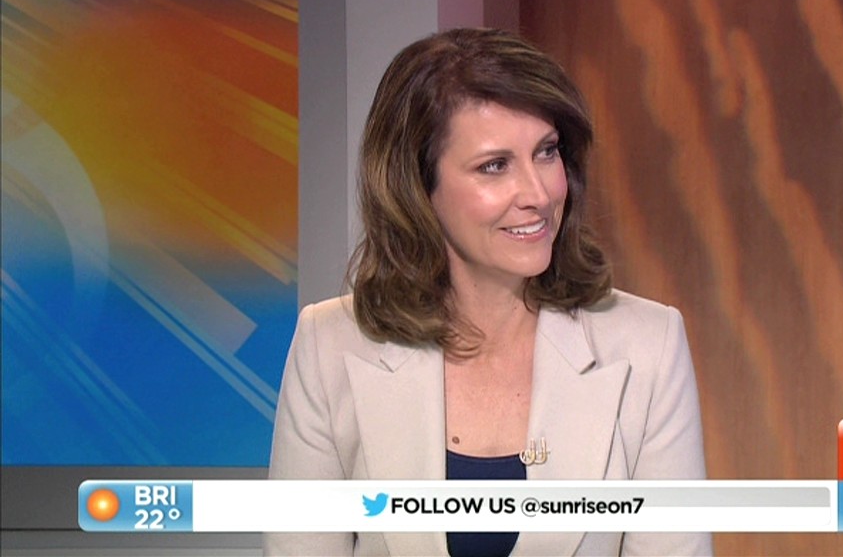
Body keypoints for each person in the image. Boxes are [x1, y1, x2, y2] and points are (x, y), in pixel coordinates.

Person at [264, 27, 711, 556]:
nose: (538, 193)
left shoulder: (649, 347)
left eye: (546, 152)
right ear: (417, 188)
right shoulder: (329, 347)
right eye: (494, 166)